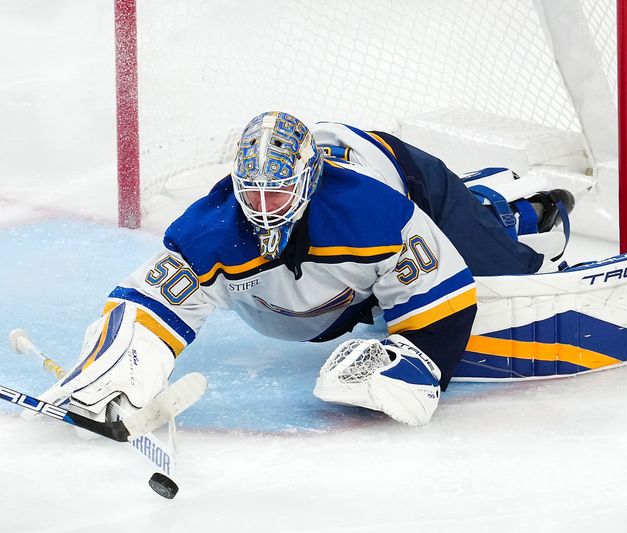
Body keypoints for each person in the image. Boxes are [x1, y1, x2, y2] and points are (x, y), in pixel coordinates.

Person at [36, 111, 576, 427]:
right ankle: (485, 203)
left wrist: (415, 361)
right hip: (348, 259)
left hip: (406, 178)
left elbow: (447, 294)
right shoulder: (214, 229)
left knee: (501, 268)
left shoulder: (374, 215)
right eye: (255, 192)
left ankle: (523, 214)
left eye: (279, 191)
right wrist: (118, 364)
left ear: (309, 180)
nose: (265, 207)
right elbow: (151, 302)